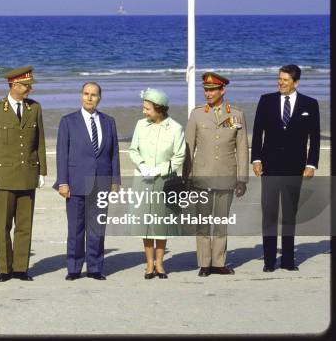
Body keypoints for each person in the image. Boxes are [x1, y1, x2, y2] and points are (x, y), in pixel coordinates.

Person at [0, 66, 47, 282]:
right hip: (4, 178)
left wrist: (41, 171)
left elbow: (40, 142)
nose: (30, 89)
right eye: (26, 86)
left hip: (27, 174)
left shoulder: (34, 108)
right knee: (3, 226)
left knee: (24, 226)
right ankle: (5, 269)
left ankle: (20, 268)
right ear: (13, 85)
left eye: (29, 86)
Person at [251, 65, 320, 272]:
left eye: (285, 80)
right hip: (269, 166)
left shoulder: (310, 104)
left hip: (295, 167)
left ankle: (288, 260)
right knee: (269, 213)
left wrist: (311, 164)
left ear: (295, 82)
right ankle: (269, 261)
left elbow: (315, 138)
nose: (280, 83)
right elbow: (257, 133)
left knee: (289, 213)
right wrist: (255, 159)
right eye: (279, 79)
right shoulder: (266, 100)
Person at [53, 82, 120, 281]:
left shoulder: (109, 121)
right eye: (86, 94)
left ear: (100, 98)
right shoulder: (68, 121)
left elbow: (114, 152)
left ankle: (95, 268)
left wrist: (115, 180)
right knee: (75, 229)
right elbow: (61, 154)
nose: (89, 98)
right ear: (81, 96)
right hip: (74, 183)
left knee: (97, 229)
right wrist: (62, 182)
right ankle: (73, 268)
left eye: (94, 95)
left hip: (101, 182)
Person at [184, 72, 248, 277]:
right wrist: (186, 177)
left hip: (226, 177)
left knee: (221, 222)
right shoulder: (196, 115)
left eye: (212, 90)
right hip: (201, 177)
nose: (208, 93)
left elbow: (242, 148)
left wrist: (242, 179)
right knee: (203, 222)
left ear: (222, 90)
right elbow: (188, 147)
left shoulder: (236, 115)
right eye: (206, 89)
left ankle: (219, 262)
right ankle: (204, 263)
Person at [129, 88, 185, 280]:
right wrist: (143, 166)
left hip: (164, 182)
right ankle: (149, 263)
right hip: (143, 180)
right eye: (143, 108)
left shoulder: (176, 128)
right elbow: (133, 150)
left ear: (159, 109)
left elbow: (179, 157)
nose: (144, 112)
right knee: (145, 223)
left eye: (148, 109)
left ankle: (160, 264)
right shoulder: (140, 125)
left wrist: (159, 170)